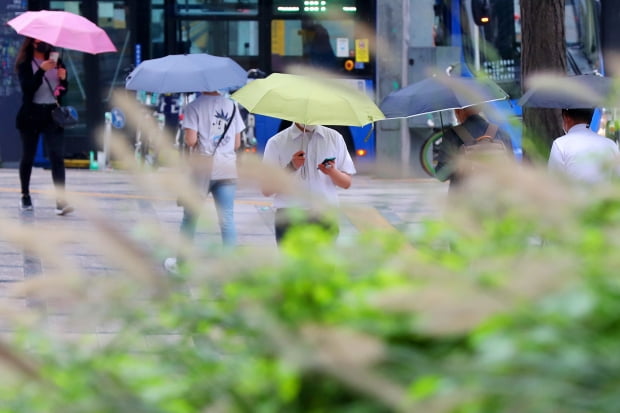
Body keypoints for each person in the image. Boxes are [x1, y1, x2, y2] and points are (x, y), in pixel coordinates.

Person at [164, 91, 245, 274]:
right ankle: (230, 269)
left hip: (202, 168)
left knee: (190, 219)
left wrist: (190, 136)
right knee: (227, 220)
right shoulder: (231, 105)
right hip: (226, 167)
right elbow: (237, 144)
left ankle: (182, 264)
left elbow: (191, 141)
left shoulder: (193, 107)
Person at [262, 122, 356, 245]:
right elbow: (266, 190)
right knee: (292, 263)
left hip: (324, 214)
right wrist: (291, 167)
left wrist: (332, 172)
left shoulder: (334, 138)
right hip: (289, 217)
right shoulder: (277, 142)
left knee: (324, 262)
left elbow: (346, 183)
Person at [14, 37, 73, 215]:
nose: (44, 43)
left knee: (57, 156)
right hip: (30, 115)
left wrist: (64, 80)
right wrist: (41, 70)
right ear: (32, 42)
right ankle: (25, 195)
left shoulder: (56, 60)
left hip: (52, 116)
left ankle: (61, 200)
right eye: (40, 40)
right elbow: (28, 89)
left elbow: (61, 92)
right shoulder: (25, 63)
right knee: (28, 157)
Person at [434, 106, 513, 190]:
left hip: (464, 198)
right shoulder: (502, 133)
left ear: (458, 111)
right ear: (480, 109)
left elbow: (441, 176)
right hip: (496, 197)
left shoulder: (451, 134)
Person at [548, 108, 619, 183]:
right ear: (591, 117)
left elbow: (553, 183)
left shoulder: (560, 144)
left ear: (566, 117)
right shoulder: (611, 145)